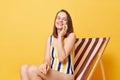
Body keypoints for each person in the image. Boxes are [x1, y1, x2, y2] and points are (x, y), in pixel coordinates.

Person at [20, 9, 76, 80]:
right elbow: (47, 59)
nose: (60, 20)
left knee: (32, 70)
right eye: (58, 18)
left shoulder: (71, 36)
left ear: (68, 23)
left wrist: (60, 36)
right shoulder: (50, 39)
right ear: (55, 21)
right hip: (52, 74)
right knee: (23, 68)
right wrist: (45, 64)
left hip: (66, 75)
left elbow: (62, 58)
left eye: (64, 19)